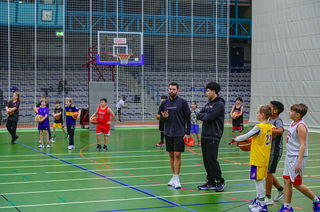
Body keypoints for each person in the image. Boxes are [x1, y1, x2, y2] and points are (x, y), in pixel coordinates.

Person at [277, 104, 320, 212]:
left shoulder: (301, 126)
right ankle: (287, 207)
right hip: (290, 156)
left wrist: (299, 162)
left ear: (297, 114)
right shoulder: (293, 123)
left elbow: (303, 145)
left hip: (297, 158)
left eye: (291, 111)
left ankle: (316, 201)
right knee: (287, 181)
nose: (289, 112)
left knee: (296, 183)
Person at [234, 105, 273, 212]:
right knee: (259, 180)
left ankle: (262, 205)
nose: (256, 115)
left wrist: (236, 138)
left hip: (258, 157)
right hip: (265, 157)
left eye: (257, 113)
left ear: (262, 115)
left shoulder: (259, 126)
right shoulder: (269, 126)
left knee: (258, 180)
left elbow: (245, 136)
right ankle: (259, 201)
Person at [158, 82, 191, 189]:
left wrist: (187, 133)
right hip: (168, 133)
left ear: (178, 90)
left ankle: (177, 179)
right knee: (171, 155)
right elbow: (159, 117)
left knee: (177, 155)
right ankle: (173, 177)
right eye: (170, 89)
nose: (171, 91)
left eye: (174, 89)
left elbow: (188, 118)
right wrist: (164, 117)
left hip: (180, 133)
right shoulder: (164, 103)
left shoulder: (183, 102)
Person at [196, 82, 226, 192]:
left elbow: (208, 117)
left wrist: (204, 116)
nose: (206, 93)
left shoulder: (219, 104)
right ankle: (210, 181)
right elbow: (199, 114)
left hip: (214, 135)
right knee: (206, 160)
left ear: (214, 91)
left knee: (212, 159)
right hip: (205, 135)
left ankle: (220, 181)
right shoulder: (208, 104)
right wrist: (204, 116)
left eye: (208, 91)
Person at [265, 101, 285, 205]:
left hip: (275, 150)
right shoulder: (268, 119)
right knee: (267, 172)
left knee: (268, 173)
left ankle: (267, 197)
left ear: (275, 111)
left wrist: (267, 130)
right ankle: (281, 189)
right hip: (268, 149)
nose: (268, 108)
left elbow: (281, 130)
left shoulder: (277, 120)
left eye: (270, 107)